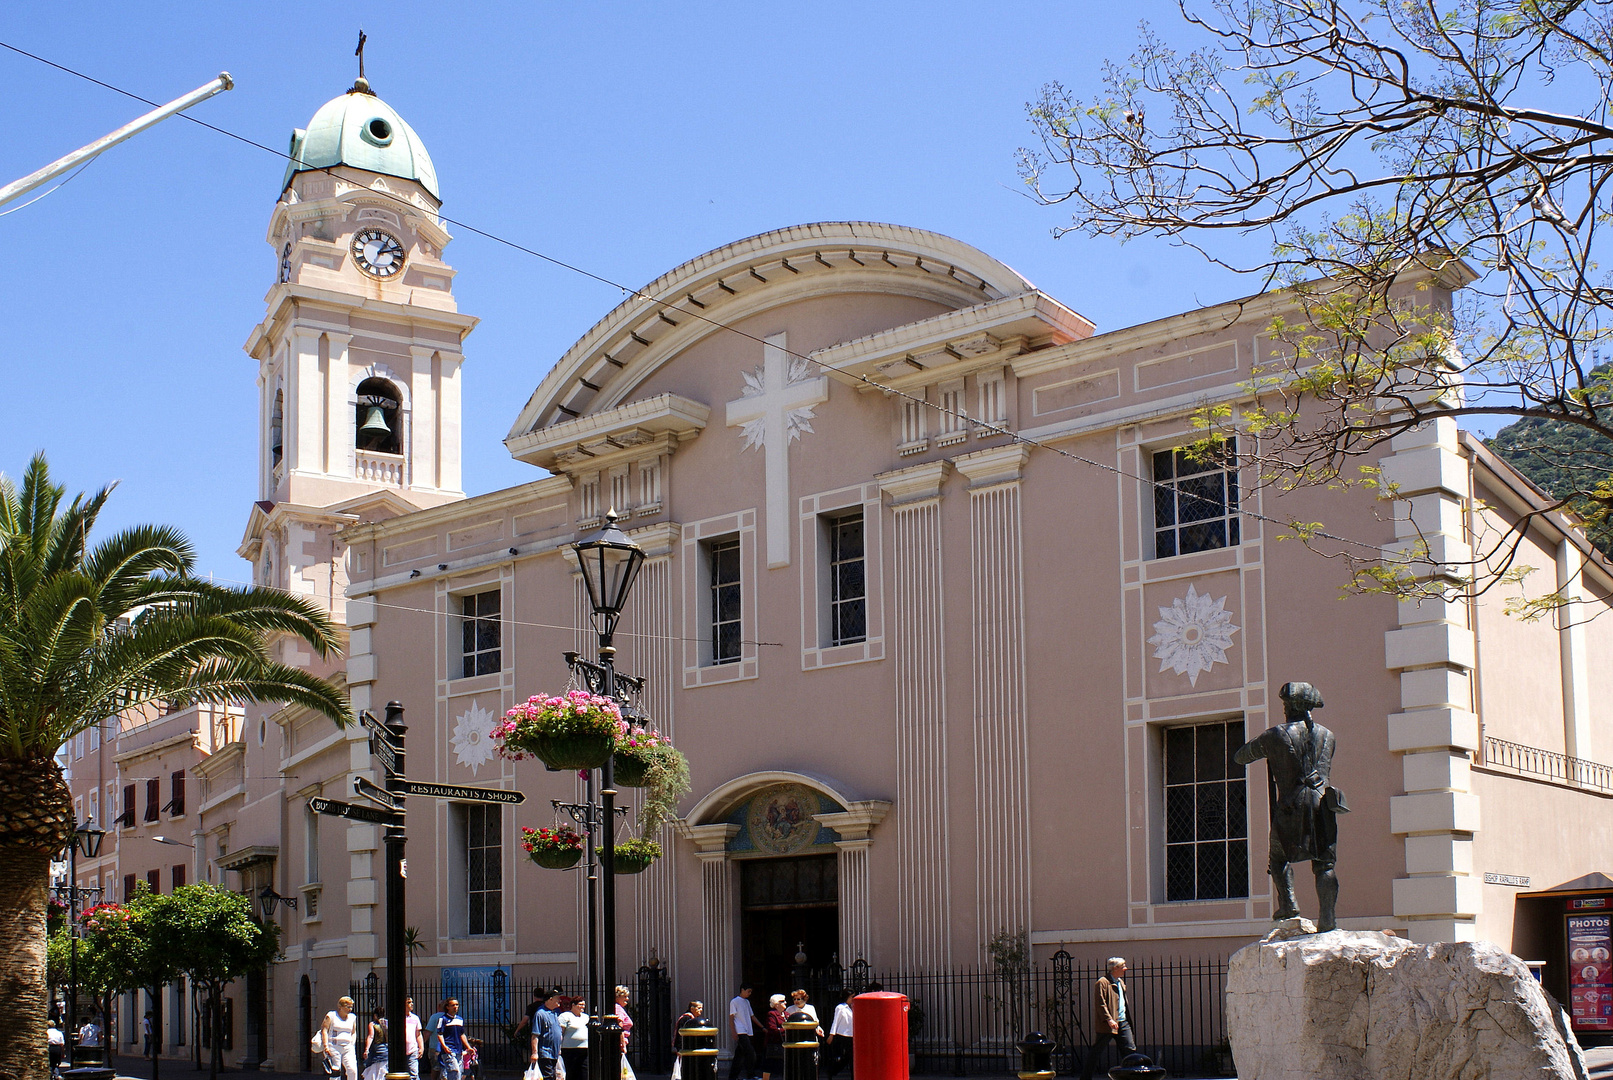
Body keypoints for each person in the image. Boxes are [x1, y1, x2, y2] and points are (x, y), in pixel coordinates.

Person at [1235, 681, 1348, 932]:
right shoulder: (1328, 735)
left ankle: (1288, 904)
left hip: (1292, 805)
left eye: (1286, 703)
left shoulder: (1276, 734)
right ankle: (1328, 920)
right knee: (1324, 864)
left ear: (1292, 705)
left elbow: (1241, 756)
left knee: (1278, 857)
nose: (1284, 708)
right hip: (1323, 803)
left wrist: (1265, 746)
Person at [1080, 959, 1135, 1080]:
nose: (1125, 968)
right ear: (1115, 968)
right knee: (1096, 1052)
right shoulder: (1102, 982)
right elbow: (1100, 1003)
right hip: (1108, 1024)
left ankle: (1132, 1077)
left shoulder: (1120, 982)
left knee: (1130, 1051)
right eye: (1123, 966)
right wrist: (1109, 1019)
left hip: (1123, 1022)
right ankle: (1085, 1077)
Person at [528, 990, 563, 1080]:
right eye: (557, 999)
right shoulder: (540, 1014)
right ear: (550, 999)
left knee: (554, 1076)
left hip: (555, 1053)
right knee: (548, 1077)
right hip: (545, 1052)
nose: (560, 1001)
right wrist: (534, 1053)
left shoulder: (556, 1012)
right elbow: (535, 1035)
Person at [323, 997, 360, 1080]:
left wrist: (352, 1044)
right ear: (340, 1006)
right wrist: (326, 1046)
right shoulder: (331, 1015)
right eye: (348, 1007)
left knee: (352, 1070)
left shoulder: (352, 1017)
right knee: (336, 1072)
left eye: (351, 1007)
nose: (350, 1009)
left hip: (348, 1047)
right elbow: (324, 1030)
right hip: (334, 1046)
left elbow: (353, 1032)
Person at [727, 985, 758, 1080]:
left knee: (739, 1055)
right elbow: (731, 1018)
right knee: (750, 1052)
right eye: (748, 991)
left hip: (747, 1030)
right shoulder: (734, 1001)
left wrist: (762, 1027)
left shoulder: (747, 1002)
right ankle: (751, 1074)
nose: (749, 994)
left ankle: (733, 1076)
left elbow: (752, 1016)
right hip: (740, 1031)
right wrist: (733, 1032)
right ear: (742, 990)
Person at [824, 989, 854, 1080]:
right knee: (846, 1057)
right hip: (843, 1035)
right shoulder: (840, 1007)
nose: (853, 999)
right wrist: (831, 1035)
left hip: (851, 1035)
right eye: (852, 997)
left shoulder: (852, 1007)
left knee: (851, 1058)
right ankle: (832, 1071)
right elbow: (835, 1021)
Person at [436, 999, 468, 1080]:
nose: (455, 1007)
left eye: (457, 1005)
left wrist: (468, 1047)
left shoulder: (460, 1019)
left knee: (459, 1073)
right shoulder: (443, 1019)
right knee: (454, 1071)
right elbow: (440, 1034)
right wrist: (444, 1046)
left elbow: (462, 1034)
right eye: (453, 1005)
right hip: (449, 1050)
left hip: (459, 1050)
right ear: (447, 1007)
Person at [558, 998, 589, 1080]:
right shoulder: (565, 1016)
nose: (583, 1007)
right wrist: (559, 1046)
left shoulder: (586, 1017)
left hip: (584, 1049)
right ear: (573, 1005)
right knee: (572, 1072)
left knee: (584, 1072)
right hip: (570, 1049)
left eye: (584, 1005)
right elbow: (561, 1032)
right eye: (580, 1004)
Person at [760, 995, 787, 1080]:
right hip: (773, 1045)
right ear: (776, 1004)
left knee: (784, 1066)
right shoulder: (772, 1014)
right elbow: (773, 1029)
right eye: (782, 1001)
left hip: (785, 1045)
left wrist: (782, 1029)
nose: (785, 1002)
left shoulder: (787, 1015)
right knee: (769, 1065)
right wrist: (786, 1029)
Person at [362, 1007, 390, 1080]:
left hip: (376, 1049)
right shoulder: (387, 1023)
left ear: (375, 1015)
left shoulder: (373, 1024)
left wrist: (366, 1049)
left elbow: (371, 1036)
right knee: (383, 1069)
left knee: (373, 1069)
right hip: (387, 1049)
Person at [424, 1000, 449, 1079]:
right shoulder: (451, 1017)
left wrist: (421, 1044)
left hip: (435, 1047)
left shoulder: (435, 1017)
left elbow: (427, 1032)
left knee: (435, 1068)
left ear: (438, 1007)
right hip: (449, 1047)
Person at [614, 984, 635, 1070]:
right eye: (625, 996)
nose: (627, 999)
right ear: (618, 997)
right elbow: (620, 1028)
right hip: (620, 1044)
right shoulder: (618, 1008)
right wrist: (622, 1044)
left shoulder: (619, 1008)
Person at [403, 998, 425, 1080]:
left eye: (412, 1002)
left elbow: (418, 1034)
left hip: (412, 1049)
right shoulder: (398, 1018)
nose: (411, 1004)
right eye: (409, 1002)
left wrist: (421, 1048)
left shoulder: (415, 1018)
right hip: (400, 1051)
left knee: (414, 1074)